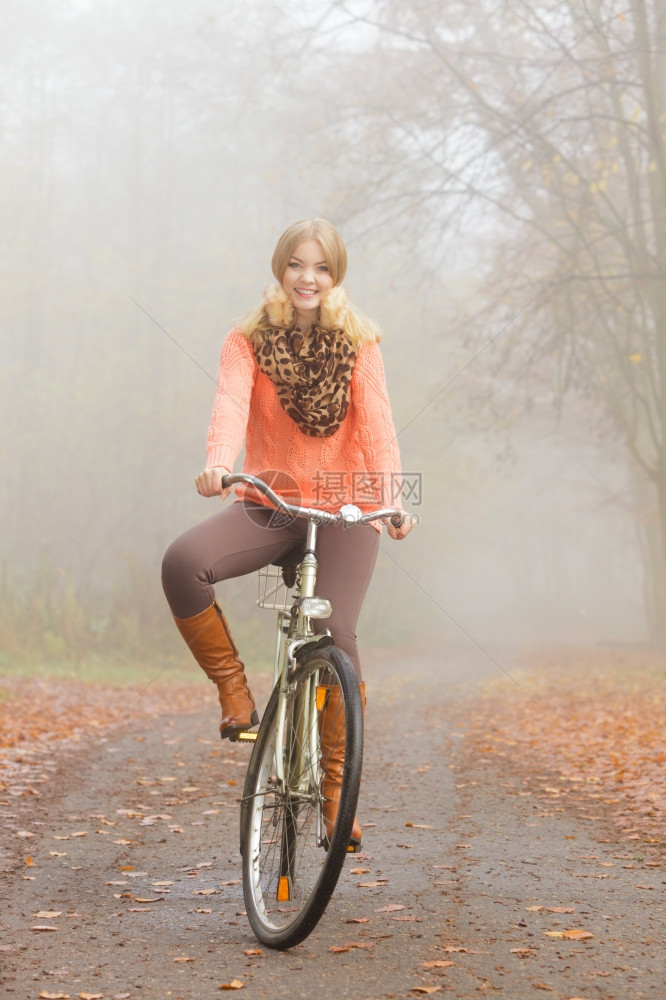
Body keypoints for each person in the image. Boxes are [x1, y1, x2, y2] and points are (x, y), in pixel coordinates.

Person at [162, 218, 414, 847]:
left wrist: (394, 500)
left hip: (346, 510)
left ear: (337, 277)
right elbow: (229, 406)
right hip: (270, 500)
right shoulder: (246, 341)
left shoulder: (361, 344)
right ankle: (235, 696)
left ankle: (336, 794)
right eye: (297, 265)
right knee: (182, 562)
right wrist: (219, 463)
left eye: (322, 267)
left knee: (335, 633)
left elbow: (379, 431)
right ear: (280, 269)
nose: (308, 278)